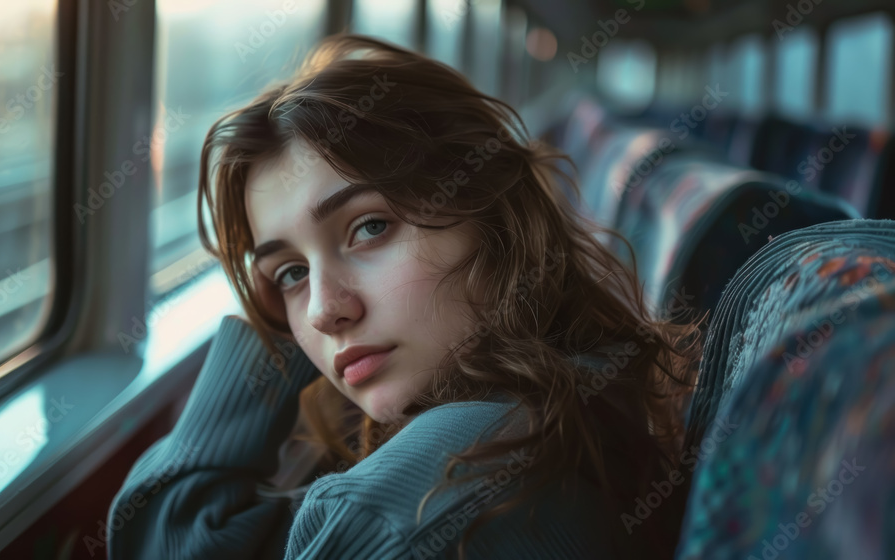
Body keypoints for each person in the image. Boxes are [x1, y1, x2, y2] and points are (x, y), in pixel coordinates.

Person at [107, 34, 703, 560]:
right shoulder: (578, 401)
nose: (322, 310)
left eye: (370, 228)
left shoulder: (396, 514)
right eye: (289, 273)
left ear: (496, 219)